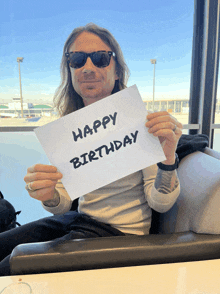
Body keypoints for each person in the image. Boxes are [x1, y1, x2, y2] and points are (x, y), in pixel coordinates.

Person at [0, 23, 182, 275]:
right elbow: (62, 204)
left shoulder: (139, 123)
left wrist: (168, 158)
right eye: (77, 59)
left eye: (100, 58)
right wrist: (48, 193)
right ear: (70, 70)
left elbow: (160, 203)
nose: (88, 68)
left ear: (117, 71)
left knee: (8, 268)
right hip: (78, 221)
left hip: (119, 235)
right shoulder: (67, 129)